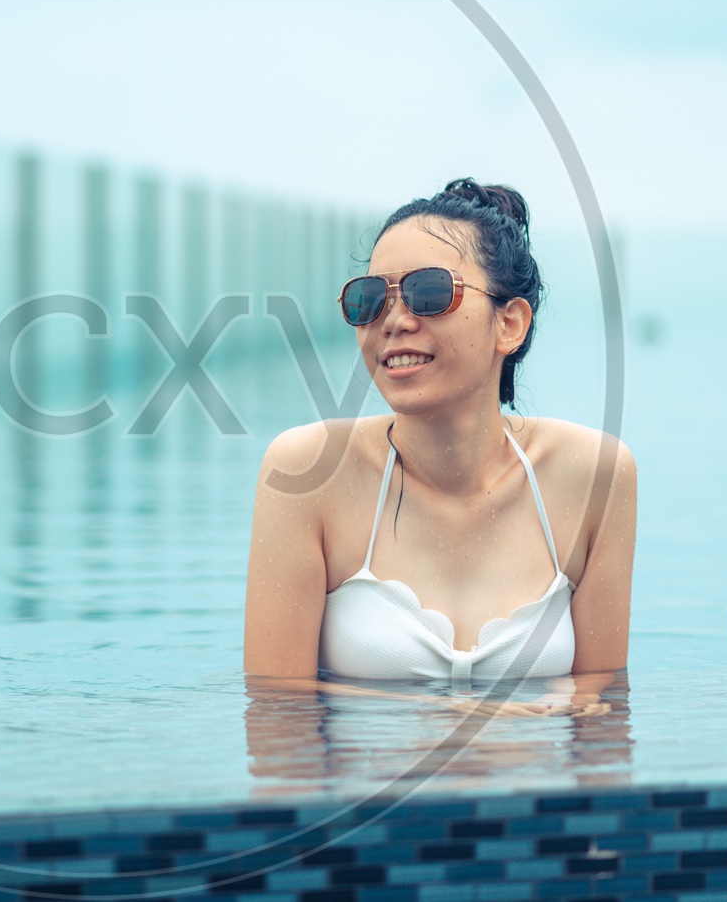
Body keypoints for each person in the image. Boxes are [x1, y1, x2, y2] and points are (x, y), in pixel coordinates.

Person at [243, 178, 635, 717]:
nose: (395, 321)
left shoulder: (594, 473)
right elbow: (274, 709)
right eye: (369, 300)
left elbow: (605, 712)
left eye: (429, 293)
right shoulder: (309, 471)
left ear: (510, 323)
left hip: (532, 799)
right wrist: (472, 711)